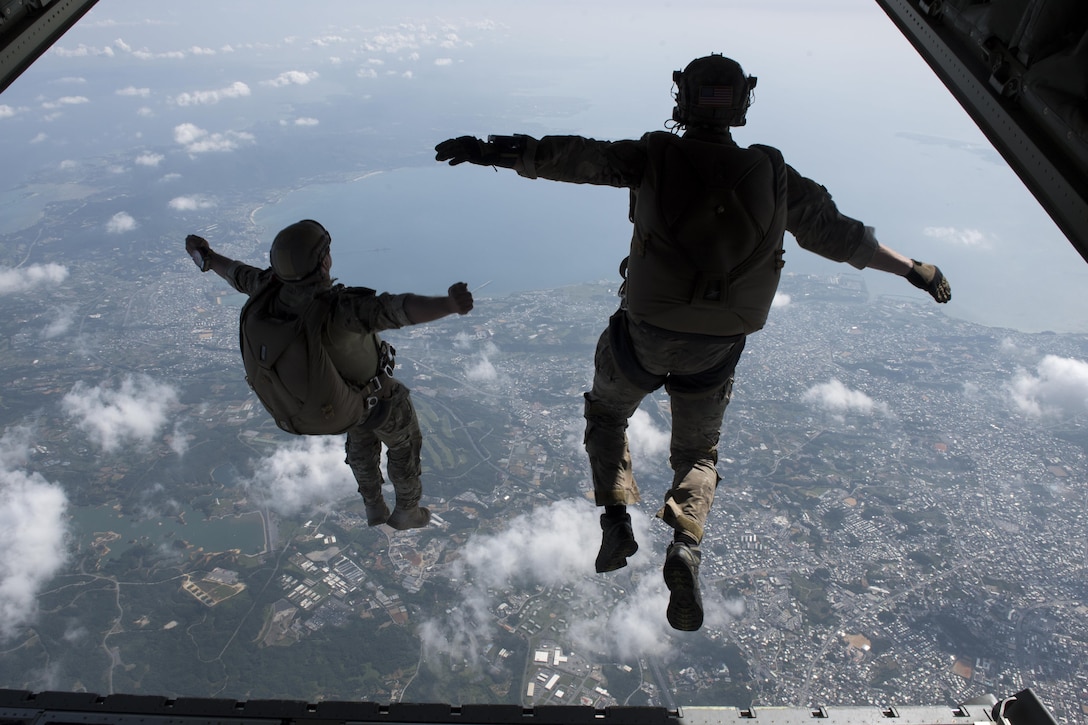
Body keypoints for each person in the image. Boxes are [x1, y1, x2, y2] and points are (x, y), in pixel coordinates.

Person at [435, 54, 951, 631]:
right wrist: (914, 270)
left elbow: (577, 158)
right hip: (717, 346)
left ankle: (615, 520)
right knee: (698, 454)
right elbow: (842, 238)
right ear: (741, 103)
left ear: (682, 97)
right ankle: (685, 545)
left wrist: (492, 149)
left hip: (644, 336)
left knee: (607, 414)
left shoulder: (655, 155)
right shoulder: (778, 178)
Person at [185, 220, 474, 530]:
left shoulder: (266, 291)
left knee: (362, 438)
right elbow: (397, 310)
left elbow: (236, 273)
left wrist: (207, 257)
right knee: (404, 442)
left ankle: (373, 505)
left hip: (340, 403)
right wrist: (448, 305)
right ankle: (407, 510)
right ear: (324, 260)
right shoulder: (338, 308)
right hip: (374, 397)